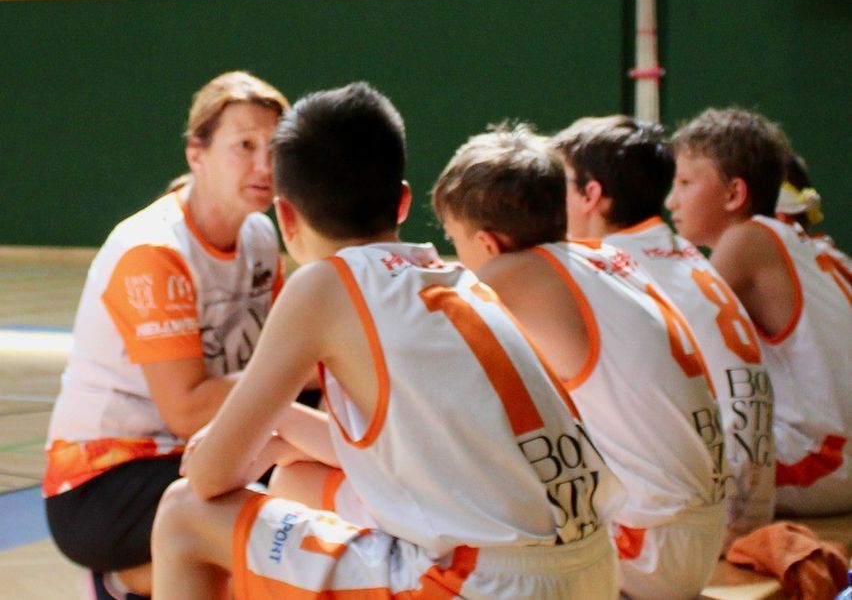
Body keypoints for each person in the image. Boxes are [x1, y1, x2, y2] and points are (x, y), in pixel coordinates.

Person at [151, 82, 625, 599]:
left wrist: (217, 454)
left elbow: (209, 477)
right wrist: (287, 429)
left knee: (183, 514)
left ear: (285, 217)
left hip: (486, 583)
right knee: (300, 483)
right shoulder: (458, 282)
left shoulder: (324, 286)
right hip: (592, 570)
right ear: (402, 202)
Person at [432, 125, 728, 600]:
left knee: (404, 504)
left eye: (453, 238)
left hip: (649, 547)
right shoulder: (606, 257)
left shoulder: (510, 276)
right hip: (694, 535)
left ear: (487, 243)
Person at [44, 71, 289, 599]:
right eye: (244, 146)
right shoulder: (154, 251)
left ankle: (145, 579)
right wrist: (297, 371)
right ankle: (124, 577)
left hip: (197, 451)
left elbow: (278, 360)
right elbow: (187, 406)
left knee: (302, 488)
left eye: (276, 147)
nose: (265, 166)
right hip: (104, 484)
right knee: (278, 521)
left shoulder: (260, 236)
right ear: (196, 154)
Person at [552, 115, 775, 547]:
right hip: (745, 505)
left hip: (696, 528)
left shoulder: (600, 269)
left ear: (591, 195)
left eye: (559, 181)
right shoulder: (682, 256)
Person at [667, 107, 852, 516]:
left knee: (648, 460)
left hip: (818, 463)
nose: (671, 201)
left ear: (734, 194)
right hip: (838, 459)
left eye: (684, 183)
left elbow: (671, 338)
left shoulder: (747, 240)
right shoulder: (804, 244)